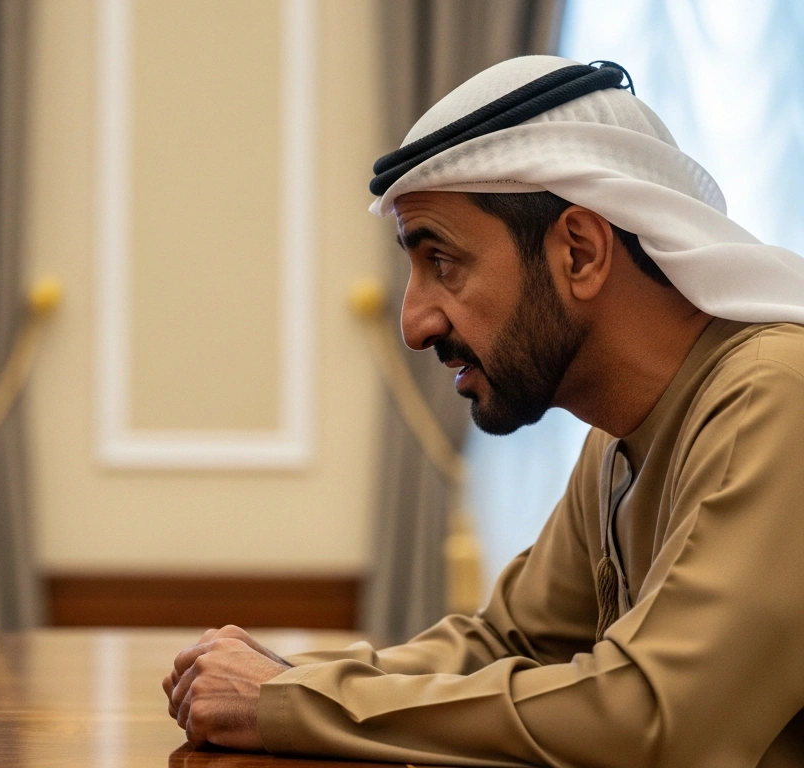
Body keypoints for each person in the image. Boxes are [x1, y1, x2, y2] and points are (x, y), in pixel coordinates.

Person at [164, 55, 804, 767]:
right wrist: (289, 679)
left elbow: (659, 720)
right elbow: (511, 643)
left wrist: (294, 703)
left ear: (580, 252)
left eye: (443, 261)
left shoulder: (776, 393)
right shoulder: (618, 438)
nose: (414, 324)